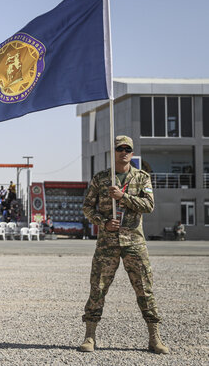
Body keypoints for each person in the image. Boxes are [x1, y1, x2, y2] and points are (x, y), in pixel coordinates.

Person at [79, 136, 169, 354]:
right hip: (107, 243)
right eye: (120, 148)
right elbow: (87, 208)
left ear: (132, 152)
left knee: (144, 289)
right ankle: (89, 336)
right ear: (114, 152)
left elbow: (149, 205)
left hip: (134, 243)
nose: (124, 152)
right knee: (98, 289)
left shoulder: (142, 178)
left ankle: (154, 338)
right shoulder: (101, 179)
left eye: (128, 149)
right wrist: (103, 222)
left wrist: (123, 197)